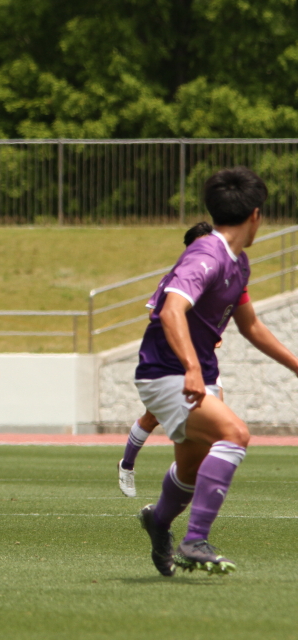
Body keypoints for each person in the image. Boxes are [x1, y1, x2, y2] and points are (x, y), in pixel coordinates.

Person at [136, 167, 298, 575]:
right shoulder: (207, 255)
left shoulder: (237, 263)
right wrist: (191, 368)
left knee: (191, 470)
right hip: (166, 372)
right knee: (235, 434)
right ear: (256, 215)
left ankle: (158, 521)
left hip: (195, 375)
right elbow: (171, 310)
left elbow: (251, 326)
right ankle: (195, 540)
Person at [117, 222, 226, 498]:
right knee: (152, 417)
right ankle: (127, 465)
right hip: (171, 362)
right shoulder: (176, 277)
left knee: (217, 419)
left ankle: (189, 474)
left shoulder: (216, 275)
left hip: (204, 361)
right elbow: (156, 314)